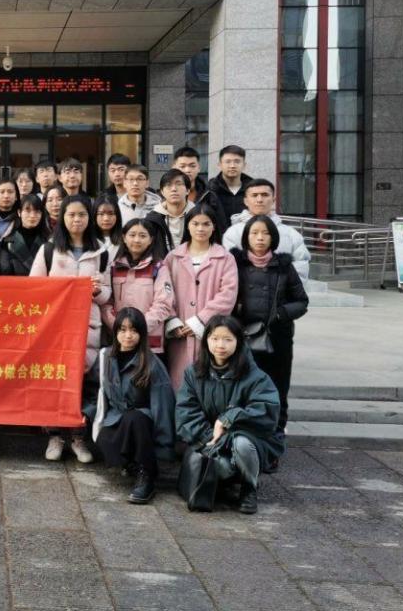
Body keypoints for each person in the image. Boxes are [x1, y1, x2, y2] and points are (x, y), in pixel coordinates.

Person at [29, 194, 110, 465]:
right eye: (71, 215)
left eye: (82, 215)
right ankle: (54, 436)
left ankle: (78, 437)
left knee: (81, 383)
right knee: (55, 381)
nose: (77, 220)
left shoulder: (102, 252)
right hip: (55, 329)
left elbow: (108, 294)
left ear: (90, 218)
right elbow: (34, 289)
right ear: (62, 218)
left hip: (87, 327)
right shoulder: (49, 250)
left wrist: (96, 291)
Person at [176, 315, 284, 514]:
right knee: (220, 467)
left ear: (239, 342)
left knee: (241, 444)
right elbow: (185, 413)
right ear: (206, 340)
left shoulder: (255, 376)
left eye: (228, 339)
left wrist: (228, 419)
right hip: (209, 442)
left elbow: (266, 410)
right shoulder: (193, 373)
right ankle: (227, 481)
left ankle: (249, 488)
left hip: (247, 440)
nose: (220, 345)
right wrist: (212, 438)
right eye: (215, 338)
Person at [231, 215, 309, 439]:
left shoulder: (283, 266)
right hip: (243, 337)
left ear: (273, 237)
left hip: (277, 338)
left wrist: (281, 313)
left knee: (277, 387)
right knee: (243, 387)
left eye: (265, 233)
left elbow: (301, 301)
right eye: (254, 233)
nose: (260, 238)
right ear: (246, 237)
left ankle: (275, 435)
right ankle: (244, 435)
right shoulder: (235, 264)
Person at [92, 308, 175, 504]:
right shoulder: (106, 357)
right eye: (123, 330)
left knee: (134, 418)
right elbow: (96, 391)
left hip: (143, 422)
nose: (128, 336)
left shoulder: (152, 363)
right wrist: (87, 415)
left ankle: (146, 475)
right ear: (115, 331)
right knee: (104, 438)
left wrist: (164, 448)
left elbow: (163, 407)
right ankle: (131, 464)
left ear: (142, 333)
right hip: (116, 418)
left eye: (134, 330)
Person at [164, 205, 238, 390]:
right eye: (195, 223)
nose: (200, 229)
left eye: (206, 224)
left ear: (214, 227)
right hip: (179, 334)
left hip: (212, 332)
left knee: (209, 384)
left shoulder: (225, 258)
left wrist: (200, 320)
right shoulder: (173, 257)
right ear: (187, 226)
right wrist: (173, 321)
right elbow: (163, 291)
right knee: (178, 384)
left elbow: (228, 294)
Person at [104, 218, 174, 356]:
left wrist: (139, 328)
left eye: (142, 236)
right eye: (132, 235)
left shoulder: (159, 267)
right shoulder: (112, 267)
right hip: (119, 341)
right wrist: (120, 328)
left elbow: (163, 304)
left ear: (151, 240)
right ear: (124, 238)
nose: (137, 240)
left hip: (149, 342)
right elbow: (106, 301)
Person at [222, 178, 310, 281]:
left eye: (265, 195)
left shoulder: (291, 234)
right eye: (254, 195)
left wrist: (281, 287)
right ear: (246, 201)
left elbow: (301, 267)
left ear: (273, 200)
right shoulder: (232, 233)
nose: (259, 200)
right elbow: (228, 270)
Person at [173, 146, 229, 232]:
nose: (187, 170)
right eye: (182, 166)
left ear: (199, 168)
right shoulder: (164, 196)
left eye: (192, 166)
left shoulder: (209, 196)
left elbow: (221, 227)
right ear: (174, 168)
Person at [0, 194, 50, 276]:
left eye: (37, 211)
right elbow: (5, 271)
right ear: (19, 212)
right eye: (28, 211)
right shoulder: (8, 242)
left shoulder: (49, 241)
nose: (32, 215)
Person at [147, 169, 194, 253]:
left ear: (187, 190)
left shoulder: (198, 216)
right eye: (168, 185)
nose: (174, 189)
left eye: (178, 184)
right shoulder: (152, 219)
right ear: (162, 192)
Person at [208, 145, 253, 224]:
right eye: (228, 162)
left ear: (244, 165)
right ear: (220, 165)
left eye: (237, 161)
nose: (232, 166)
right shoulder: (210, 190)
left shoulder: (253, 189)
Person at [93, 193, 123, 263]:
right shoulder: (88, 240)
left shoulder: (124, 240)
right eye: (101, 214)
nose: (106, 218)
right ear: (94, 215)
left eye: (111, 214)